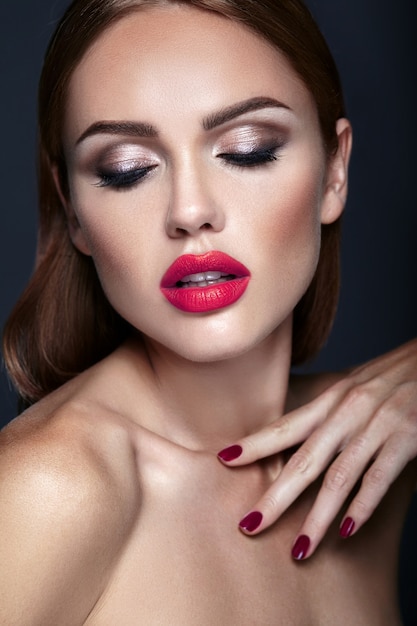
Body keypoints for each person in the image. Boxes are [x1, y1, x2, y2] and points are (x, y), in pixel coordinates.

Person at [0, 0, 416, 623]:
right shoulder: (53, 488)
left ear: (335, 172)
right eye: (126, 170)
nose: (189, 211)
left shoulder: (373, 445)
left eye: (247, 150)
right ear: (76, 211)